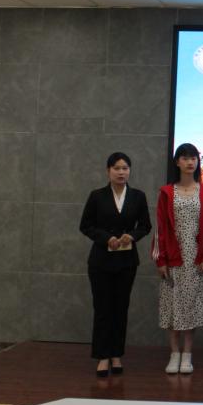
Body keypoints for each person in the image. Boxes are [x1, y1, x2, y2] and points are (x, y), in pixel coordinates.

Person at [79, 152, 152, 377]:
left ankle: (116, 355)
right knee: (103, 308)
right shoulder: (97, 196)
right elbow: (85, 226)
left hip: (126, 261)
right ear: (108, 171)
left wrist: (132, 236)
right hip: (101, 261)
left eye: (125, 168)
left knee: (120, 308)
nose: (121, 172)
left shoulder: (138, 196)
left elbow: (145, 226)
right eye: (117, 168)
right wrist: (105, 238)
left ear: (130, 171)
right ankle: (102, 356)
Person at [155, 143, 203, 375]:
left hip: (196, 259)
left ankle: (187, 355)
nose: (190, 162)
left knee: (191, 307)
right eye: (185, 158)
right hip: (173, 257)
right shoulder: (166, 192)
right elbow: (160, 229)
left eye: (193, 158)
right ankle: (174, 354)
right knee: (172, 307)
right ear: (177, 162)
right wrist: (160, 260)